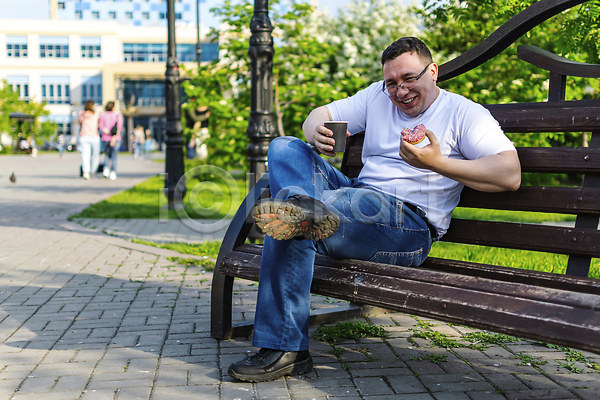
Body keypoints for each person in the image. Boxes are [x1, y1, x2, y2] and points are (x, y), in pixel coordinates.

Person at [227, 37, 521, 382]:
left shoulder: (464, 113)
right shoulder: (376, 97)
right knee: (284, 147)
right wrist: (313, 130)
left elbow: (509, 173)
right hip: (355, 201)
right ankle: (302, 210)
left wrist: (437, 163)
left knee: (299, 214)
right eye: (392, 82)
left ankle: (284, 344)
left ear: (433, 72)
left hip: (406, 225)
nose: (400, 91)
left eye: (410, 78)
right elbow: (322, 114)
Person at [98, 101, 123, 180]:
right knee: (114, 155)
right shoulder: (117, 115)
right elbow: (119, 128)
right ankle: (113, 172)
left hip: (105, 138)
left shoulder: (102, 115)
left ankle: (106, 170)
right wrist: (114, 138)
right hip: (115, 138)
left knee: (107, 154)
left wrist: (106, 132)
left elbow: (101, 126)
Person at [77, 100, 100, 180]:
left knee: (85, 155)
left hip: (84, 136)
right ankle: (93, 170)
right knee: (95, 155)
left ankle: (86, 172)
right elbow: (98, 123)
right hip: (94, 136)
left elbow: (80, 123)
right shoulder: (96, 113)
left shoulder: (82, 113)